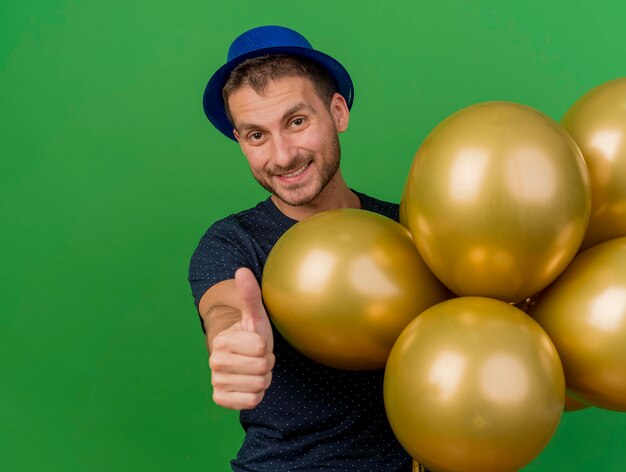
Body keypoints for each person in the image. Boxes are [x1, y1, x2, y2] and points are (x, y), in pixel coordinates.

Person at [189, 25, 412, 471]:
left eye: (296, 122)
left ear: (337, 112)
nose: (283, 155)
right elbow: (224, 308)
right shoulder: (232, 241)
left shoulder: (408, 228)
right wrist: (232, 339)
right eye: (256, 135)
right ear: (240, 141)